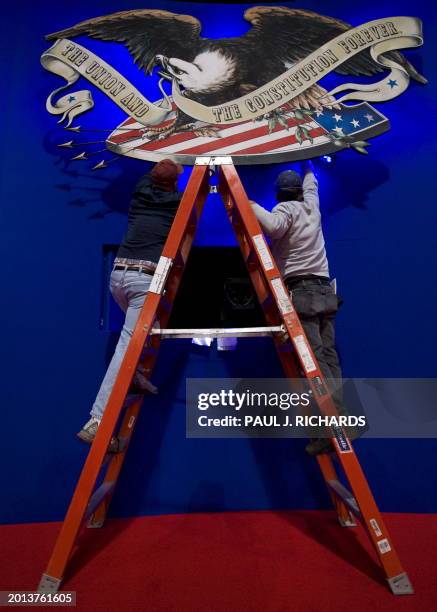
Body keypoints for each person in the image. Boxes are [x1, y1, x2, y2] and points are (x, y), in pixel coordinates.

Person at [77, 158, 184, 452]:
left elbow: (152, 177)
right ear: (174, 183)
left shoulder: (140, 191)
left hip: (119, 277)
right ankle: (97, 421)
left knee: (151, 330)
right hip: (143, 281)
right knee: (128, 345)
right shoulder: (178, 204)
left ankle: (134, 377)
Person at [250, 161, 347, 455]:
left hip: (303, 291)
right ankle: (334, 426)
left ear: (280, 193)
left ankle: (335, 424)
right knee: (328, 357)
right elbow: (312, 185)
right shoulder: (311, 207)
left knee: (314, 362)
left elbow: (273, 228)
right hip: (324, 290)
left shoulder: (286, 210)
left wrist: (251, 204)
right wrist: (308, 162)